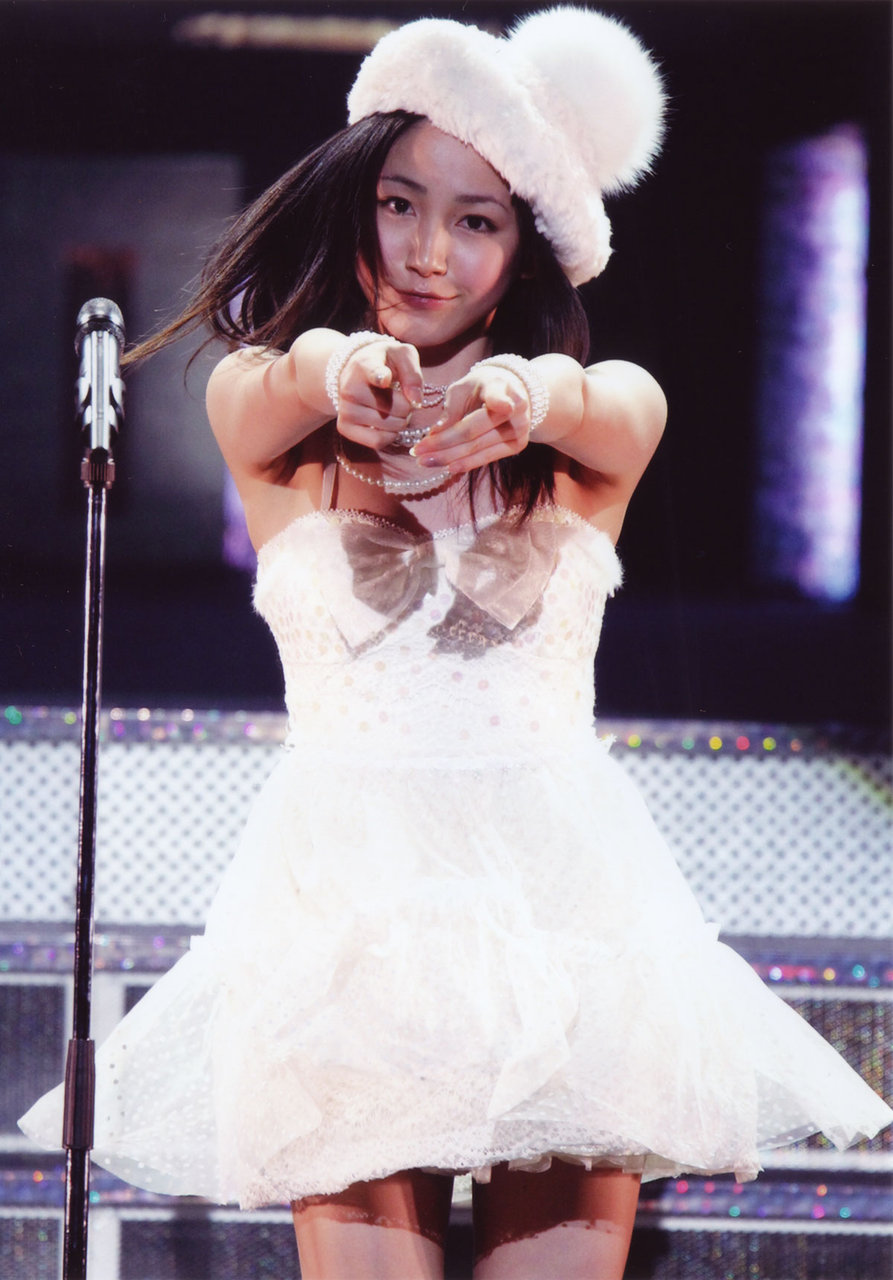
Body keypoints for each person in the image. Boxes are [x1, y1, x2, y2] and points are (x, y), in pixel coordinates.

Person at [21, 9, 892, 1279]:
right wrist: (338, 367)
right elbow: (276, 379)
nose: (428, 252)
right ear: (353, 205)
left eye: (476, 220)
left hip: (562, 915)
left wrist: (524, 393)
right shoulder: (274, 414)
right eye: (398, 204)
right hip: (346, 920)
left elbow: (608, 403)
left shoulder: (590, 431)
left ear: (522, 243)